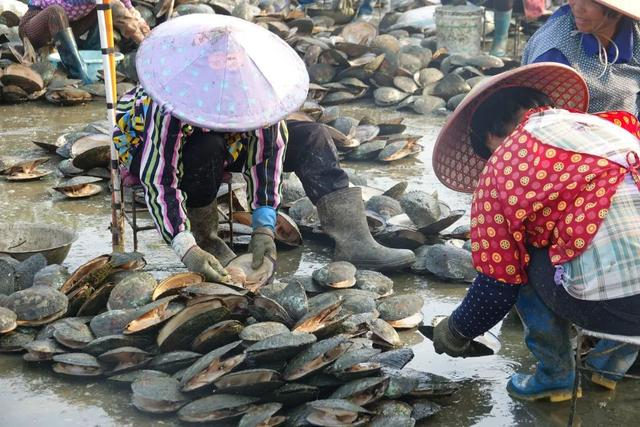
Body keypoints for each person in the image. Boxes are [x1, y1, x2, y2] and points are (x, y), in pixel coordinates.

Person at [113, 15, 414, 283]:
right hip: (152, 148)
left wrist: (264, 227)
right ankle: (207, 241)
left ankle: (355, 241)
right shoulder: (170, 102)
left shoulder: (257, 91)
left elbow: (267, 157)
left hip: (228, 144)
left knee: (314, 135)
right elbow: (160, 179)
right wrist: (186, 248)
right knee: (207, 145)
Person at [430, 63, 640, 402]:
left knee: (518, 256)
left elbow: (497, 286)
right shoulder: (611, 126)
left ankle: (555, 376)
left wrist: (455, 331)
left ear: (490, 136)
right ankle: (609, 365)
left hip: (610, 304)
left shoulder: (502, 166)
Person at [523, 0, 640, 116]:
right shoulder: (555, 53)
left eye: (590, 1)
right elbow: (547, 119)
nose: (577, 7)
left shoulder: (635, 33)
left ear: (617, 12)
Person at [18, 0, 150, 83]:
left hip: (66, 28)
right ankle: (79, 74)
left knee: (103, 7)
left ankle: (96, 62)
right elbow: (120, 12)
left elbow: (129, 9)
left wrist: (144, 29)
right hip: (36, 28)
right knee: (56, 11)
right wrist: (143, 44)